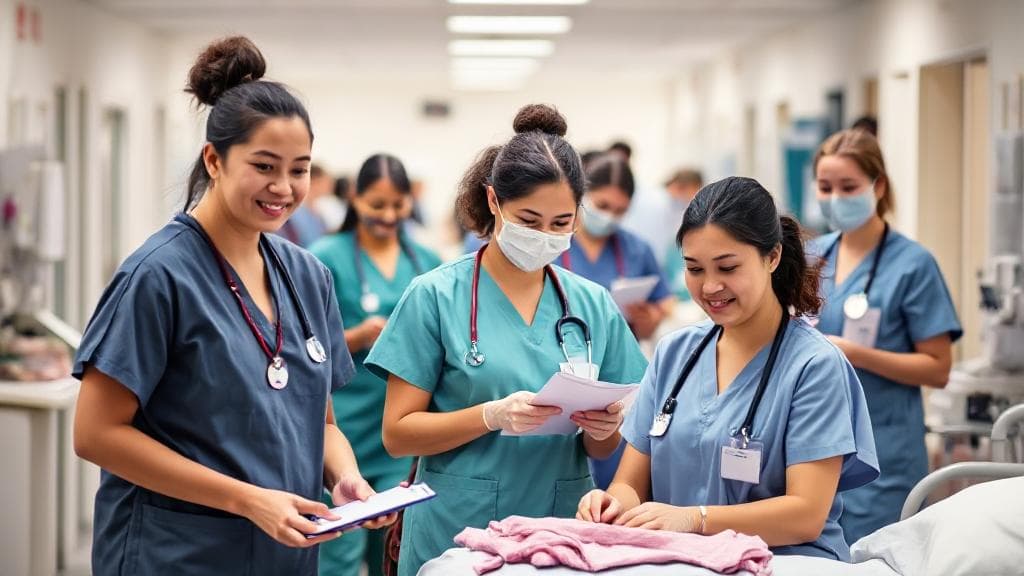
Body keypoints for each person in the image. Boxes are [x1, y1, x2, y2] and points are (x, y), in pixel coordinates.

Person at [71, 36, 394, 576]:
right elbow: (96, 434)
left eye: (299, 169)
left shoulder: (308, 276)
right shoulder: (159, 276)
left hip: (282, 553)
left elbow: (322, 421)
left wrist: (345, 478)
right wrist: (247, 499)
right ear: (214, 160)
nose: (284, 187)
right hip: (175, 555)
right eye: (264, 166)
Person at [365, 104, 649, 576]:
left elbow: (607, 445)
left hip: (560, 531)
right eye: (529, 220)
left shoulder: (592, 304)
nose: (544, 236)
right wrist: (490, 415)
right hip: (456, 531)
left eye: (561, 223)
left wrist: (605, 430)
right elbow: (397, 435)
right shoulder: (435, 296)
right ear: (494, 202)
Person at [578, 176, 879, 562]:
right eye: (695, 269)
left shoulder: (814, 367)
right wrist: (612, 505)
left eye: (727, 266)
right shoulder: (674, 355)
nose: (710, 286)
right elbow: (628, 484)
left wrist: (696, 519)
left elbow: (805, 515)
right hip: (684, 563)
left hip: (784, 563)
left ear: (772, 257)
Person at [809, 129, 961, 544]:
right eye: (825, 187)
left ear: (878, 186)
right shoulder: (809, 258)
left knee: (880, 556)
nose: (835, 198)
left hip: (882, 452)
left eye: (848, 187)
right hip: (811, 445)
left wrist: (855, 353)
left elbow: (938, 368)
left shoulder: (913, 264)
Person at [309, 153, 442, 576]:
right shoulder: (323, 257)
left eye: (397, 205)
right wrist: (358, 337)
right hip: (342, 423)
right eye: (376, 205)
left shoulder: (427, 261)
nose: (388, 215)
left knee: (393, 547)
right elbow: (300, 344)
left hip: (400, 429)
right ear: (354, 198)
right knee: (339, 552)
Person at [560, 154, 674, 488]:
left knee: (615, 475)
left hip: (617, 380)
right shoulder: (555, 240)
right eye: (602, 204)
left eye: (619, 210)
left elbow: (663, 303)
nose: (608, 216)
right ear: (582, 194)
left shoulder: (635, 248)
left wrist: (648, 317)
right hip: (562, 371)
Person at [277, 164, 329, 247]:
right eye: (325, 182)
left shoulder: (319, 211)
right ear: (315, 181)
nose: (328, 187)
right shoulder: (295, 213)